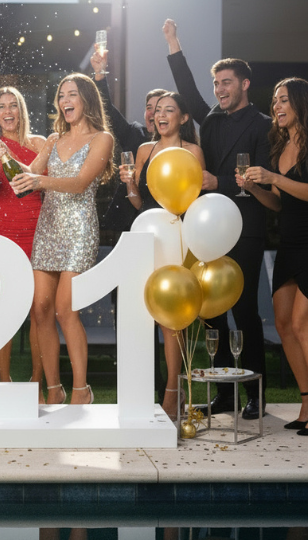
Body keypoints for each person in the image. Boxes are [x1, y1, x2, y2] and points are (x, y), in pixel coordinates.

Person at [165, 19, 272, 419]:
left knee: (244, 311)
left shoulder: (262, 127)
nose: (219, 90)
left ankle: (255, 396)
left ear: (244, 84)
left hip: (245, 228)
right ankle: (224, 393)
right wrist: (174, 43)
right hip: (208, 231)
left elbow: (261, 178)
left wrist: (219, 181)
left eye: (226, 82)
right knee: (211, 313)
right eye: (216, 84)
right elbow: (188, 89)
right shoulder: (209, 120)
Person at [11, 73, 115, 405]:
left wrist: (39, 181)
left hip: (79, 228)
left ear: (86, 99)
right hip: (49, 227)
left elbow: (81, 183)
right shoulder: (54, 140)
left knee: (64, 310)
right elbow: (26, 174)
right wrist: (0, 157)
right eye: (61, 95)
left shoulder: (102, 139)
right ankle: (53, 389)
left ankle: (82, 390)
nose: (65, 101)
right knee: (40, 309)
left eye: (72, 94)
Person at [118, 91, 205, 418]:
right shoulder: (144, 150)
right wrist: (129, 184)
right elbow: (139, 202)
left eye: (170, 110)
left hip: (177, 237)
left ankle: (173, 390)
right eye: (158, 111)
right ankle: (142, 394)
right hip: (146, 235)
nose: (161, 115)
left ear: (183, 118)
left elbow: (194, 203)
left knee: (172, 321)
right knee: (143, 315)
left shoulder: (192, 151)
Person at [238, 78, 308, 434]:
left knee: (301, 324)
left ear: (299, 103)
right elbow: (279, 204)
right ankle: (306, 402)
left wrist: (273, 178)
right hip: (290, 243)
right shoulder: (279, 148)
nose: (277, 107)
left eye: (283, 100)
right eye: (275, 101)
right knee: (283, 324)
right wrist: (255, 188)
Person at [0, 87, 46, 391]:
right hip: (3, 228)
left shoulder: (40, 143)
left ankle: (37, 381)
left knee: (39, 310)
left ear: (21, 110)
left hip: (37, 227)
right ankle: (5, 383)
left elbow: (44, 187)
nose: (7, 112)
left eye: (13, 106)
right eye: (1, 107)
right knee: (5, 308)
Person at [90, 45, 168, 230]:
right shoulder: (134, 133)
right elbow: (106, 109)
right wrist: (100, 74)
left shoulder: (179, 145)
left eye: (158, 108)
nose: (152, 113)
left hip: (164, 219)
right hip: (127, 220)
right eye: (149, 107)